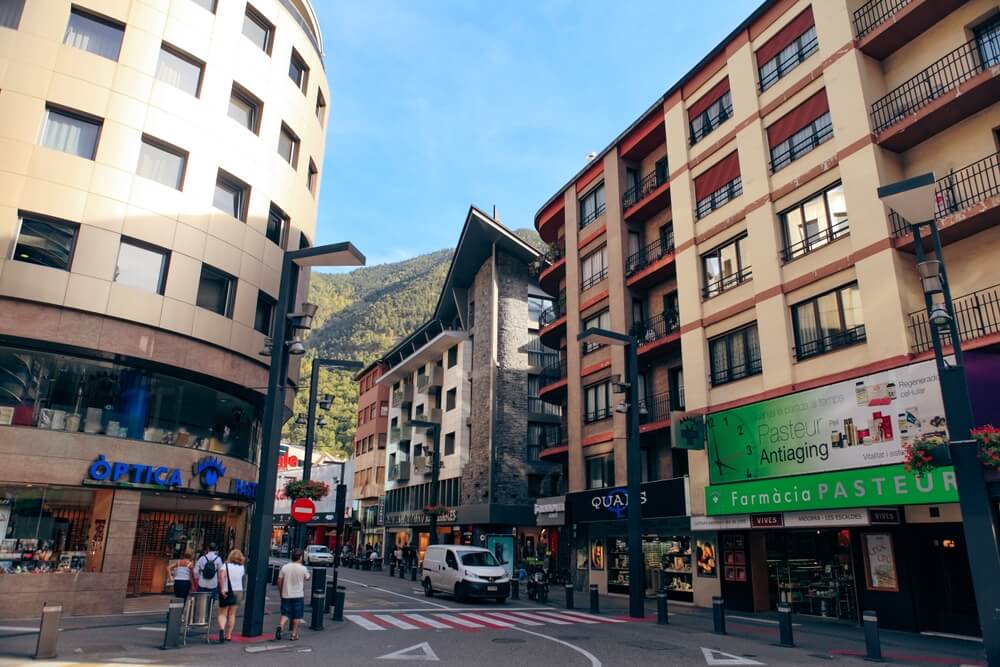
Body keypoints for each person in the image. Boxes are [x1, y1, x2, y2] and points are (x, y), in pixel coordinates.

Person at [276, 548, 310, 641]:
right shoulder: (303, 568)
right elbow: (308, 578)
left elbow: (279, 581)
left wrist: (281, 592)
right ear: (300, 557)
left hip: (286, 594)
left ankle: (281, 626)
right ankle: (294, 634)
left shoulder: (285, 567)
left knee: (285, 613)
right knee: (297, 615)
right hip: (298, 595)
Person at [217, 549, 245, 643]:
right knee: (232, 614)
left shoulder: (225, 566)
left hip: (226, 590)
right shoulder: (242, 568)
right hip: (238, 591)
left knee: (222, 613)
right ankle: (228, 635)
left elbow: (221, 577)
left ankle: (221, 629)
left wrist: (221, 589)